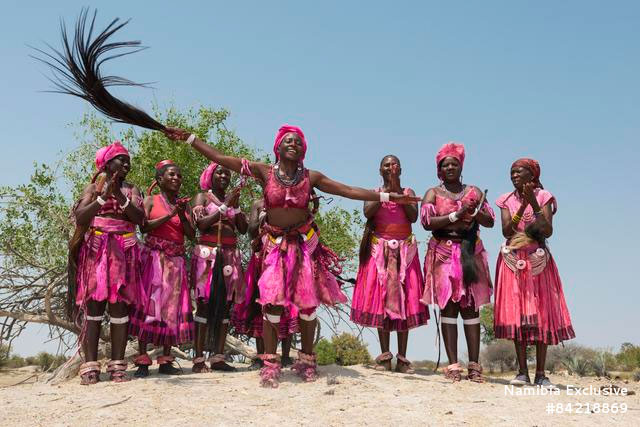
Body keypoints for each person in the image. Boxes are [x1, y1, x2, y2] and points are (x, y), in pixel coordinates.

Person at [164, 124, 419, 387]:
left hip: (302, 245)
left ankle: (307, 361)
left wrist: (390, 197)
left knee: (307, 306)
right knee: (271, 305)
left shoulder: (312, 177)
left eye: (298, 142)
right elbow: (220, 158)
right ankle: (270, 363)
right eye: (288, 141)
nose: (293, 144)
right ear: (277, 147)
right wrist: (191, 138)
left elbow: (347, 190)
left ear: (303, 151)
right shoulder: (264, 171)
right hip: (275, 245)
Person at [494, 158, 575, 387]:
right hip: (512, 259)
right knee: (517, 315)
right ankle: (522, 372)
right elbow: (506, 230)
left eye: (519, 172)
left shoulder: (544, 196)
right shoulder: (506, 200)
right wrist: (521, 206)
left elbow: (547, 230)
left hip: (538, 259)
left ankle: (541, 374)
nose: (514, 176)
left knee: (541, 314)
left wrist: (534, 204)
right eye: (511, 172)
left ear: (532, 174)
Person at [420, 142, 494, 383]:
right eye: (445, 164)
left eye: (454, 163)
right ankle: (453, 366)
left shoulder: (474, 192)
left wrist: (473, 212)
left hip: (469, 252)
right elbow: (427, 222)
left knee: (470, 307)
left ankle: (474, 365)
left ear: (460, 167)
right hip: (442, 253)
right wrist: (456, 215)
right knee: (448, 307)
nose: (450, 167)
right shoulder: (433, 193)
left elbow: (490, 221)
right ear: (439, 170)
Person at [72, 141, 145, 384]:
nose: (126, 163)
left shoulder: (131, 189)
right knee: (93, 308)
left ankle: (117, 366)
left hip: (124, 251)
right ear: (106, 163)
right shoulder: (93, 187)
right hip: (97, 249)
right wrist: (103, 198)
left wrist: (119, 197)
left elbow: (139, 218)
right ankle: (90, 366)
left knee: (120, 309)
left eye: (128, 160)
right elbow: (81, 216)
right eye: (121, 159)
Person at [350, 155, 429, 373]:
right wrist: (387, 194)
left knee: (406, 300)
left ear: (401, 169)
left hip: (405, 252)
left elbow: (413, 217)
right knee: (380, 301)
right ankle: (385, 356)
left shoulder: (408, 193)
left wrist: (399, 193)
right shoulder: (374, 192)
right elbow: (368, 212)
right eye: (386, 165)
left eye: (394, 165)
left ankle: (402, 358)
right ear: (380, 170)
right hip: (379, 252)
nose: (390, 167)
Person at [129, 160, 195, 377]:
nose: (176, 179)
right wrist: (170, 214)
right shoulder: (150, 200)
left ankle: (166, 360)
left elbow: (191, 235)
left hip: (175, 261)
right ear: (159, 180)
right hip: (155, 259)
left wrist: (182, 214)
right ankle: (142, 360)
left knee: (171, 309)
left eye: (179, 176)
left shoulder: (183, 205)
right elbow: (144, 226)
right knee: (150, 305)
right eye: (171, 175)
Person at [190, 162, 248, 372]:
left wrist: (237, 205)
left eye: (227, 173)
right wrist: (224, 207)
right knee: (204, 304)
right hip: (207, 254)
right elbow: (201, 224)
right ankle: (198, 359)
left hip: (230, 256)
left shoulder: (232, 200)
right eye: (219, 172)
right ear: (210, 176)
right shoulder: (202, 197)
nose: (224, 175)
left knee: (225, 305)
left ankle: (218, 357)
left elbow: (242, 228)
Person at [231, 198, 298, 369]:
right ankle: (262, 356)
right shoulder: (258, 204)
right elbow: (252, 231)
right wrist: (266, 216)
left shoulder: (292, 201)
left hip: (288, 257)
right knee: (260, 306)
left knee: (288, 305)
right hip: (263, 259)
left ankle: (285, 356)